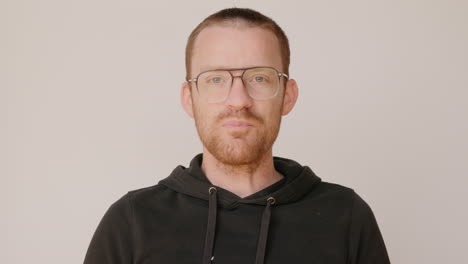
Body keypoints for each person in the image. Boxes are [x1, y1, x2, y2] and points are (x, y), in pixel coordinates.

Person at [84, 7, 390, 264]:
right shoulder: (131, 221)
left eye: (259, 77)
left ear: (288, 95)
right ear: (189, 98)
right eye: (216, 79)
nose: (238, 99)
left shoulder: (346, 217)